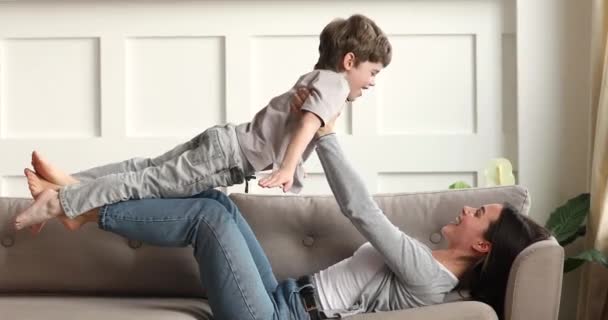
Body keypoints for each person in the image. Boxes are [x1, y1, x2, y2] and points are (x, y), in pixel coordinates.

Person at [21, 110, 550, 320]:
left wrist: (324, 135)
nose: (466, 206)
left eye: (478, 212)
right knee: (215, 203)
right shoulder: (432, 267)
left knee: (210, 222)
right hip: (281, 299)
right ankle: (79, 201)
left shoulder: (429, 275)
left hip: (280, 319)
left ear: (481, 245)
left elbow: (361, 210)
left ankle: (80, 204)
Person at [14, 13, 393, 232]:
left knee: (144, 169)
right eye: (372, 71)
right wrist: (287, 168)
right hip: (228, 158)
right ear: (348, 61)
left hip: (224, 139)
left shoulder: (315, 77)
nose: (373, 81)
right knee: (146, 180)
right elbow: (308, 123)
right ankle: (61, 203)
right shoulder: (336, 86)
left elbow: (299, 119)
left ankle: (68, 183)